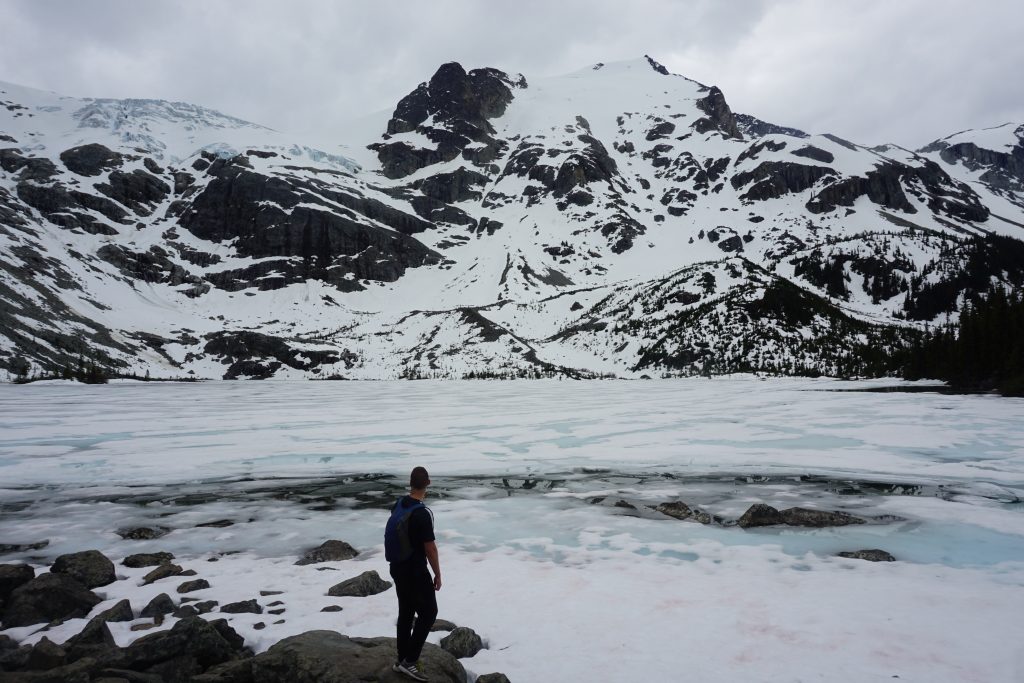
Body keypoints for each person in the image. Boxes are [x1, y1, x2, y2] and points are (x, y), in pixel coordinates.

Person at [385, 466, 441, 682]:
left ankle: (401, 660)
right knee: (429, 613)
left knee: (406, 611)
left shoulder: (399, 503)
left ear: (410, 483)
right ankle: (410, 662)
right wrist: (437, 574)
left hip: (397, 567)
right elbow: (430, 549)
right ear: (428, 483)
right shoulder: (422, 514)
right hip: (415, 571)